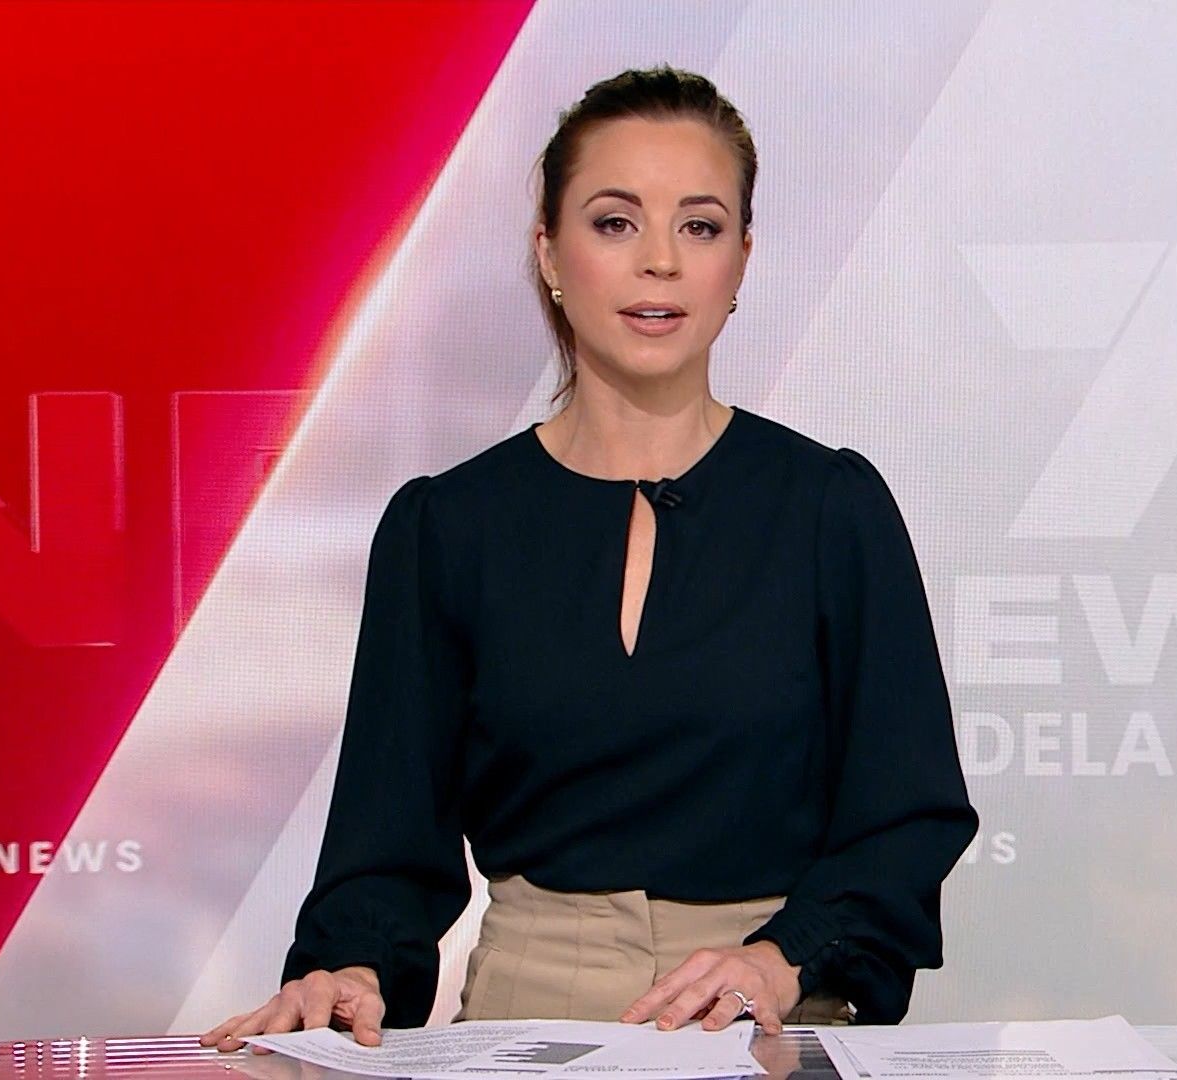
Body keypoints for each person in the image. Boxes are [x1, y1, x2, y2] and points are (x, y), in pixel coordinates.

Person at [202, 65, 977, 1055]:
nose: (660, 261)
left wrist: (784, 958)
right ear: (550, 253)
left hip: (769, 1018)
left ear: (741, 261)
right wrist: (350, 968)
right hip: (528, 1020)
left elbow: (905, 816)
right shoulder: (449, 526)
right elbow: (387, 846)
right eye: (616, 222)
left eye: (699, 226)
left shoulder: (832, 507)